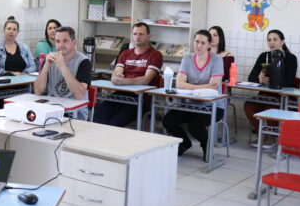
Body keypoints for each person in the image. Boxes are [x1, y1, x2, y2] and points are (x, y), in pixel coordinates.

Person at [163, 30, 225, 161]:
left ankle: (206, 146)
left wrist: (191, 88)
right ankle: (185, 143)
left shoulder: (217, 60)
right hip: (191, 104)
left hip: (212, 106)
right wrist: (198, 89)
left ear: (209, 45)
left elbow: (214, 85)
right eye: (197, 42)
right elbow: (179, 83)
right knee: (168, 120)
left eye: (203, 43)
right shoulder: (187, 58)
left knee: (195, 125)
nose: (199, 45)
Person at [93, 23, 162, 127]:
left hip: (141, 99)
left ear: (148, 36)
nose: (137, 37)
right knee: (97, 116)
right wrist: (116, 77)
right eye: (134, 34)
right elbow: (116, 73)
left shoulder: (155, 55)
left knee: (114, 123)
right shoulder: (125, 53)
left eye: (141, 34)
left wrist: (124, 81)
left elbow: (146, 80)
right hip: (120, 95)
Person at [243, 30, 298, 146]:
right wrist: (259, 78)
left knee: (270, 106)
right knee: (248, 105)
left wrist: (270, 81)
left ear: (282, 41)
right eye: (269, 40)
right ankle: (262, 133)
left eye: (275, 39)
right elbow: (251, 77)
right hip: (265, 95)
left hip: (283, 97)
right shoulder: (264, 56)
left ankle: (271, 135)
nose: (271, 42)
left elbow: (289, 82)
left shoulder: (291, 58)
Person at [33, 27, 92, 120]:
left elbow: (79, 95)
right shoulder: (49, 59)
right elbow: (38, 91)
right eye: (57, 41)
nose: (60, 45)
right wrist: (46, 67)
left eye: (65, 41)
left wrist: (63, 66)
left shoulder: (84, 62)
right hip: (52, 108)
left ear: (74, 42)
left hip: (76, 112)